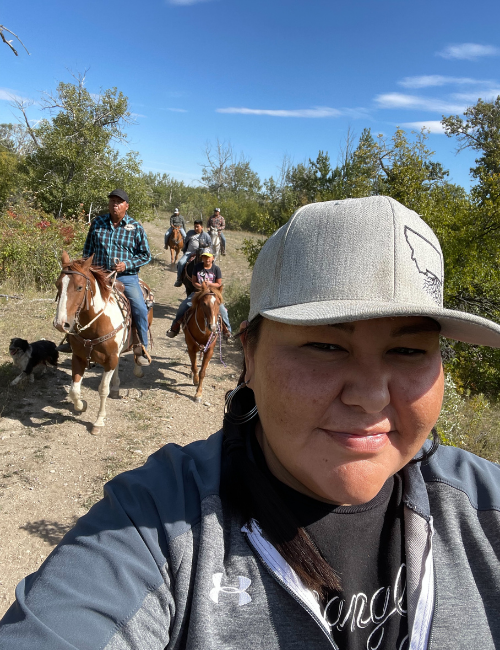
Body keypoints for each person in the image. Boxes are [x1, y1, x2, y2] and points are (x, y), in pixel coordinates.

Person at [3, 196, 500, 649]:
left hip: (122, 275)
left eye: (409, 349)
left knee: (135, 302)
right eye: (326, 345)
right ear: (251, 355)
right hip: (97, 271)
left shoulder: (486, 507)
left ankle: (143, 337)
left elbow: (140, 255)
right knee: (153, 307)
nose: (371, 398)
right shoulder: (150, 520)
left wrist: (126, 269)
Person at [82, 188, 152, 366]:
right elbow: (87, 251)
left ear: (126, 206)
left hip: (126, 278)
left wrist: (126, 264)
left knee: (140, 308)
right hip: (99, 275)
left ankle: (142, 347)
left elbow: (145, 255)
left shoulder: (135, 227)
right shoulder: (98, 223)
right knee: (79, 300)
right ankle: (75, 342)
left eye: (119, 202)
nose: (115, 204)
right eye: (112, 201)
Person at [166, 248, 232, 338]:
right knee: (183, 306)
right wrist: (201, 286)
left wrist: (210, 284)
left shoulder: (216, 269)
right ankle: (175, 328)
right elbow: (194, 282)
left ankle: (227, 331)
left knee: (222, 310)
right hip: (198, 292)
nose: (207, 259)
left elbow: (218, 283)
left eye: (209, 257)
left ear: (213, 258)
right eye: (204, 257)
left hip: (212, 294)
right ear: (202, 258)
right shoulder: (197, 267)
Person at [173, 220, 211, 287]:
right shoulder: (190, 233)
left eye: (197, 227)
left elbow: (209, 245)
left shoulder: (206, 235)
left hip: (202, 254)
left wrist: (203, 246)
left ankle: (211, 280)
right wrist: (186, 251)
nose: (196, 228)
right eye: (195, 227)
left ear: (201, 227)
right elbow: (185, 242)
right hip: (189, 252)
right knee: (181, 263)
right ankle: (179, 279)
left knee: (209, 264)